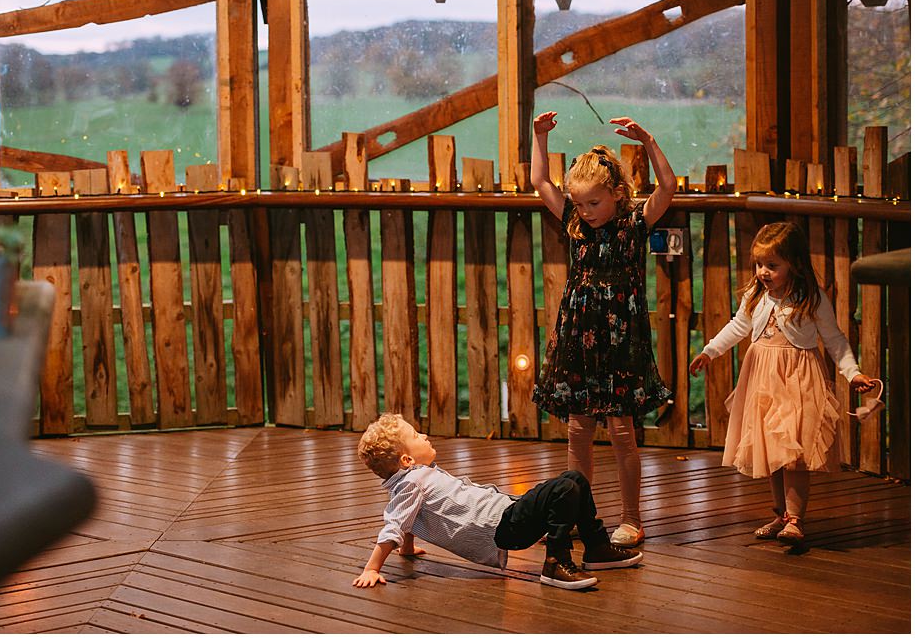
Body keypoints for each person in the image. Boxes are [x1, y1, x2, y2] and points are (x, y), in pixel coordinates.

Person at [529, 111, 677, 547]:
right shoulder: (575, 227)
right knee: (578, 428)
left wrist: (648, 138)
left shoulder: (634, 225)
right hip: (578, 338)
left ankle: (631, 517)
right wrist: (538, 137)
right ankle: (579, 512)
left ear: (616, 194)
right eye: (579, 203)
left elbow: (667, 187)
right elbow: (540, 182)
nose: (586, 211)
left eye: (594, 203)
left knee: (621, 429)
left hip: (620, 343)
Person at [689, 221, 875, 546]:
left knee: (794, 452)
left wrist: (853, 372)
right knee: (772, 447)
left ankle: (796, 518)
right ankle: (780, 514)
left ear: (795, 263)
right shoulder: (755, 295)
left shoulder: (810, 298)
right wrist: (710, 351)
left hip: (798, 378)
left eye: (772, 265)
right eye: (759, 264)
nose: (763, 271)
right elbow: (737, 327)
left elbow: (834, 340)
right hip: (762, 377)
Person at [353, 413, 643, 591]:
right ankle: (556, 562)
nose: (425, 435)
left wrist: (407, 548)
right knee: (565, 488)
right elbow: (395, 522)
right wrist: (372, 568)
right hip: (502, 527)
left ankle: (597, 549)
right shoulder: (412, 482)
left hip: (507, 515)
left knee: (574, 480)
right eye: (417, 435)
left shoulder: (415, 479)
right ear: (407, 460)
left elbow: (408, 517)